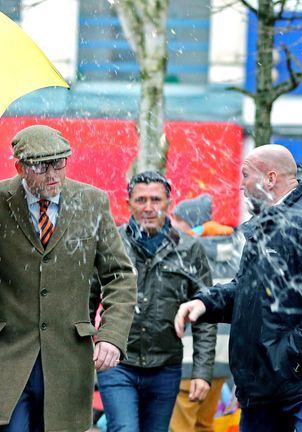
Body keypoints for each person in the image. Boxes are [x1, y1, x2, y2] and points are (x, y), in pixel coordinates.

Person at [0, 124, 137, 431]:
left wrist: (112, 335)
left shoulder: (92, 202)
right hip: (5, 358)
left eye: (59, 162)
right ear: (20, 167)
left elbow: (119, 276)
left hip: (68, 358)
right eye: (41, 166)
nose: (53, 174)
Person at [174, 144, 302, 432]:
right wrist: (206, 302)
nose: (240, 185)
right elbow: (250, 291)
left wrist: (288, 357)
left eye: (246, 175)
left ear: (270, 179)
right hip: (266, 385)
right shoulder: (264, 226)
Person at [93, 172, 217, 432]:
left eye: (155, 200)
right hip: (117, 363)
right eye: (141, 200)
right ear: (128, 203)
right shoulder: (111, 243)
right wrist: (84, 358)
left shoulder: (189, 249)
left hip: (165, 367)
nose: (148, 208)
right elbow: (86, 301)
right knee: (124, 429)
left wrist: (202, 372)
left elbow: (206, 313)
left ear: (168, 202)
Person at [169, 193, 239, 432]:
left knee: (180, 427)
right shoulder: (235, 253)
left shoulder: (185, 253)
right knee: (204, 426)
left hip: (190, 357)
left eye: (176, 220)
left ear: (189, 223)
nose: (172, 225)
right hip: (223, 358)